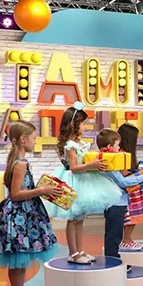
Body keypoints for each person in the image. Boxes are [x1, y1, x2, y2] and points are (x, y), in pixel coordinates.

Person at [0, 120, 63, 286]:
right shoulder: (20, 164)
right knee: (18, 262)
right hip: (18, 217)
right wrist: (41, 190)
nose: (35, 142)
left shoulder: (19, 162)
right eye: (34, 138)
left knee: (19, 262)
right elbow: (16, 194)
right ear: (23, 139)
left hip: (22, 215)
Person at [47, 102, 122, 264]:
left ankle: (80, 250)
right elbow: (74, 168)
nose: (85, 126)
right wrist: (92, 165)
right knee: (73, 219)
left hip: (83, 181)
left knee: (80, 218)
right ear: (73, 124)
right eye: (83, 123)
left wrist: (95, 163)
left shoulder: (79, 144)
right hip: (75, 181)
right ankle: (73, 253)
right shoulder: (70, 146)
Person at [97, 128, 143, 258]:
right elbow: (122, 181)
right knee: (114, 234)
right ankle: (112, 260)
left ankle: (113, 258)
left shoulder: (109, 160)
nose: (119, 148)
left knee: (115, 233)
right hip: (115, 202)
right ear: (109, 146)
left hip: (119, 201)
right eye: (117, 145)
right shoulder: (108, 162)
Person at [117, 123, 143, 251]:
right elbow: (123, 175)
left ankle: (128, 239)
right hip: (128, 191)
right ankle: (125, 240)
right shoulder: (122, 155)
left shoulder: (127, 154)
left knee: (135, 215)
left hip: (134, 190)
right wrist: (141, 176)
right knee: (130, 217)